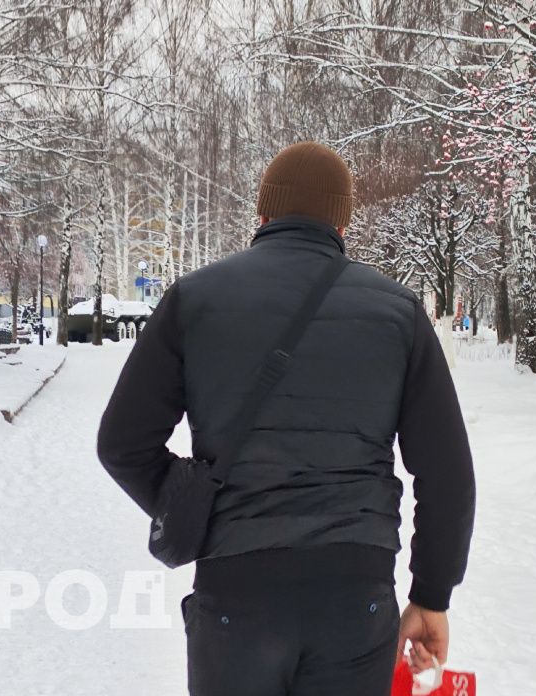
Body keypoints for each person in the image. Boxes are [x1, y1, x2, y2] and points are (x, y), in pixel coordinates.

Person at [96, 141, 477, 696]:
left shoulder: (194, 300)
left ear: (263, 212)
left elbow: (123, 443)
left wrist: (194, 503)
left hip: (237, 590)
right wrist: (432, 594)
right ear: (343, 221)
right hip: (356, 592)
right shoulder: (398, 313)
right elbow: (448, 474)